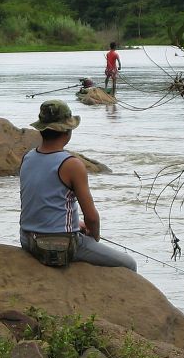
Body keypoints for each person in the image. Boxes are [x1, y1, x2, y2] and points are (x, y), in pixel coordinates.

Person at [19, 99, 136, 271]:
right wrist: (93, 238)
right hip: (58, 247)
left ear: (42, 130)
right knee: (130, 264)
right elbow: (92, 218)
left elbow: (43, 202)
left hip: (27, 241)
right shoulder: (71, 164)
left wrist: (75, 224)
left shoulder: (27, 157)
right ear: (67, 132)